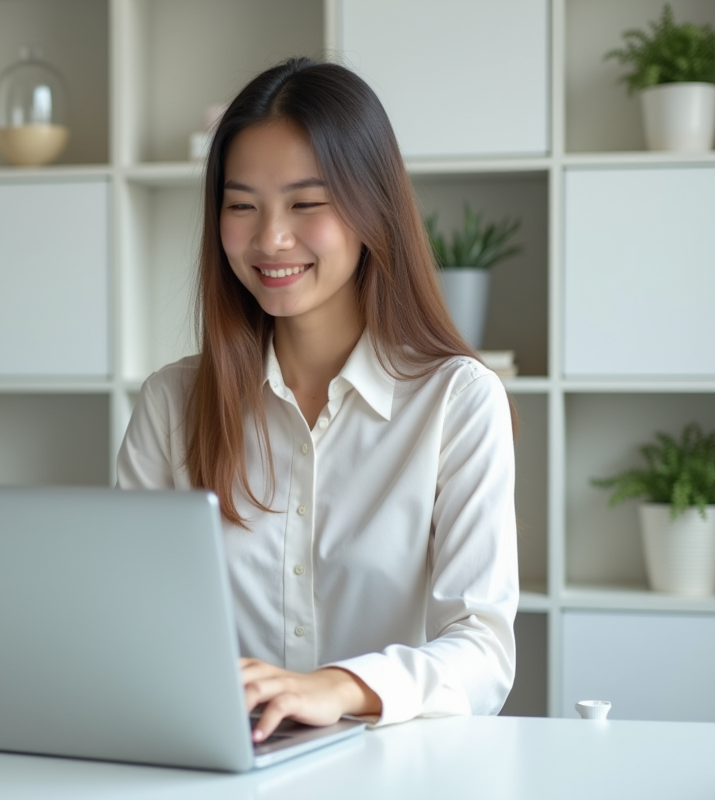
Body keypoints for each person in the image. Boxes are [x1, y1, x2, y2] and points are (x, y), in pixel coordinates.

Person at [115, 57, 519, 742]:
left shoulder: (457, 400)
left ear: (372, 208)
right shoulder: (171, 403)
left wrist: (336, 688)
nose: (270, 238)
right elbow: (127, 622)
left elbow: (483, 654)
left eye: (307, 203)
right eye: (242, 205)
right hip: (215, 765)